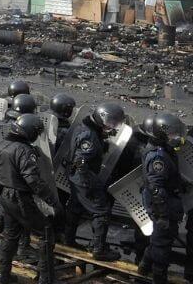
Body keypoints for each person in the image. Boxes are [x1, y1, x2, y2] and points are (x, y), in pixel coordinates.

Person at [0, 114, 60, 284]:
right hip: (20, 197)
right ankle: (46, 278)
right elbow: (33, 180)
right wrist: (52, 200)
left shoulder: (1, 145)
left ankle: (3, 275)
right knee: (46, 231)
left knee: (10, 235)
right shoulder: (24, 150)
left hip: (5, 196)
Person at [64, 102, 125, 261]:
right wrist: (87, 183)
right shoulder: (89, 136)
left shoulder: (87, 128)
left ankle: (68, 239)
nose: (112, 126)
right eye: (110, 123)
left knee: (75, 206)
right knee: (101, 211)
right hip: (83, 176)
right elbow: (81, 160)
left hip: (76, 175)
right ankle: (99, 249)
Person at [136, 113, 185, 283]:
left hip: (165, 201)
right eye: (172, 134)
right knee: (162, 243)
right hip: (161, 204)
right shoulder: (158, 156)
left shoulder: (164, 149)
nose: (176, 137)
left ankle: (143, 267)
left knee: (159, 239)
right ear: (162, 133)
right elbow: (156, 188)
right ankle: (159, 275)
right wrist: (163, 214)